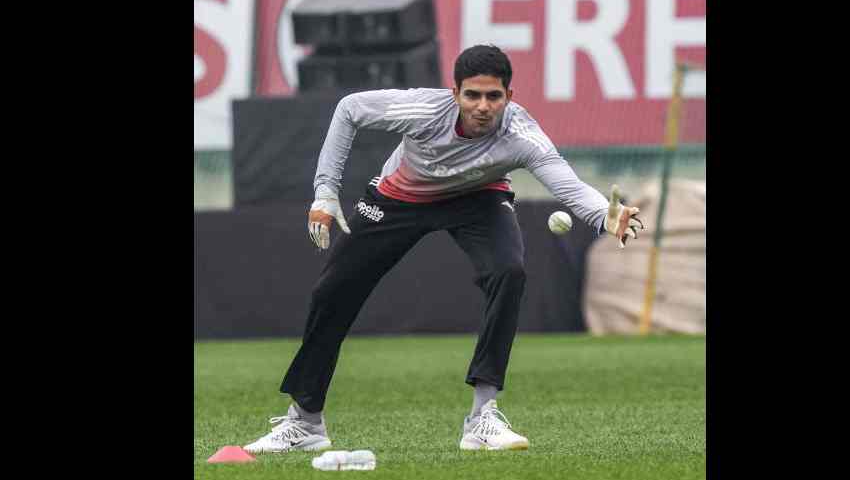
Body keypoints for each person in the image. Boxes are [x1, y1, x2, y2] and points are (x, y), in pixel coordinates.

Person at [243, 44, 643, 453]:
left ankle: (482, 417)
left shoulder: (521, 136)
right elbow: (349, 108)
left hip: (479, 198)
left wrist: (600, 215)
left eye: (493, 96)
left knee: (509, 271)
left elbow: (566, 182)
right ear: (455, 94)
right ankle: (306, 423)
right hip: (400, 197)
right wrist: (326, 191)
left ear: (510, 97)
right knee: (332, 292)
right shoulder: (423, 110)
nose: (483, 106)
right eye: (472, 95)